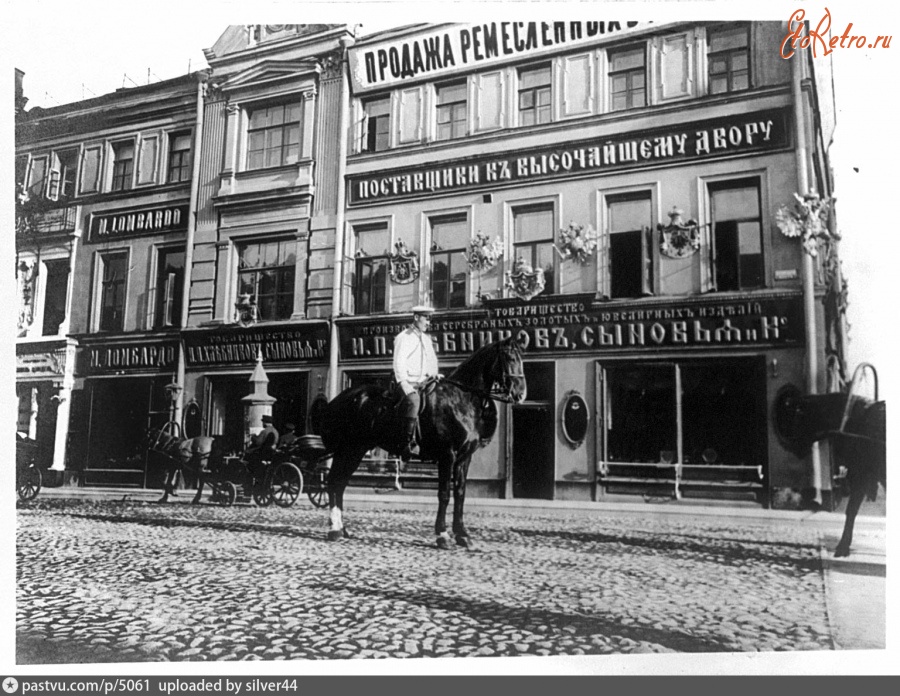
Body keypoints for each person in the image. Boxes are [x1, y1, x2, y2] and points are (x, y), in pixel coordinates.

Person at [393, 304, 439, 460]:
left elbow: (432, 360)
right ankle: (407, 443)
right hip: (408, 384)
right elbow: (399, 361)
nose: (428, 323)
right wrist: (404, 383)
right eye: (426, 318)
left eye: (429, 319)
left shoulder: (426, 339)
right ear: (416, 317)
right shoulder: (403, 337)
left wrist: (435, 374)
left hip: (425, 382)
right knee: (414, 401)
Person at [245, 414, 279, 478]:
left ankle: (250, 473)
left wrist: (253, 437)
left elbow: (258, 442)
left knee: (248, 454)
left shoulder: (265, 431)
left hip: (263, 452)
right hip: (271, 452)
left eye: (263, 422)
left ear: (265, 422)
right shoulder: (276, 431)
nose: (262, 424)